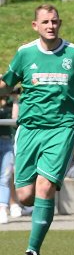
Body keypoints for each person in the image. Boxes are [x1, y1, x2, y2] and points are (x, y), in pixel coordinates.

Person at [0, 4, 74, 255]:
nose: (50, 26)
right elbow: (6, 85)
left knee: (45, 186)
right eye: (45, 22)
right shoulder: (25, 53)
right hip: (29, 129)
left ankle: (32, 251)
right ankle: (39, 209)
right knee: (25, 195)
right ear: (35, 25)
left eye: (54, 21)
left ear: (60, 23)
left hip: (62, 129)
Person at [0, 87, 18, 224]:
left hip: (7, 142)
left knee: (5, 177)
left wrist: (15, 99)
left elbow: (15, 119)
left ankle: (2, 209)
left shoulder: (10, 103)